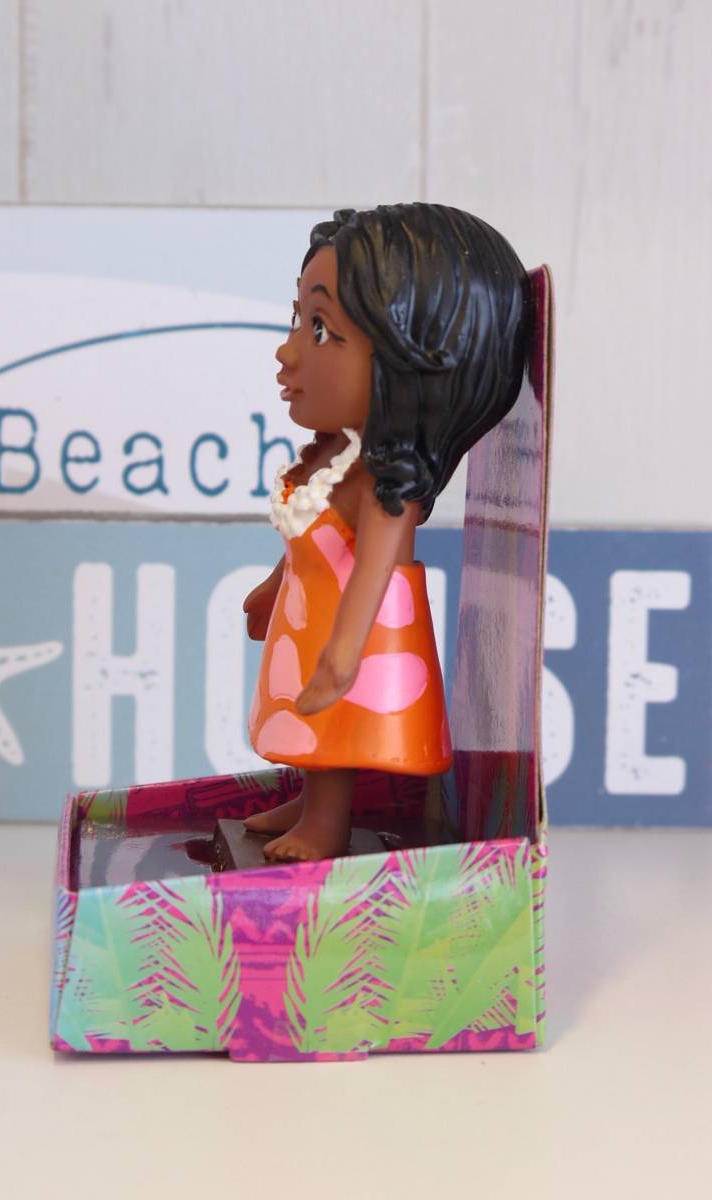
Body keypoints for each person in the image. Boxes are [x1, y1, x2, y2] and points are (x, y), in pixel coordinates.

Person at [242, 204, 532, 861]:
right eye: (299, 319)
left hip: (357, 632)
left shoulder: (386, 485)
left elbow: (372, 575)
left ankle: (326, 823)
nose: (288, 350)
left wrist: (342, 657)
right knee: (308, 723)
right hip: (308, 617)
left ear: (410, 363)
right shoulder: (333, 456)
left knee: (335, 723)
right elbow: (307, 541)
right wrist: (272, 586)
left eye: (321, 329)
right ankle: (310, 800)